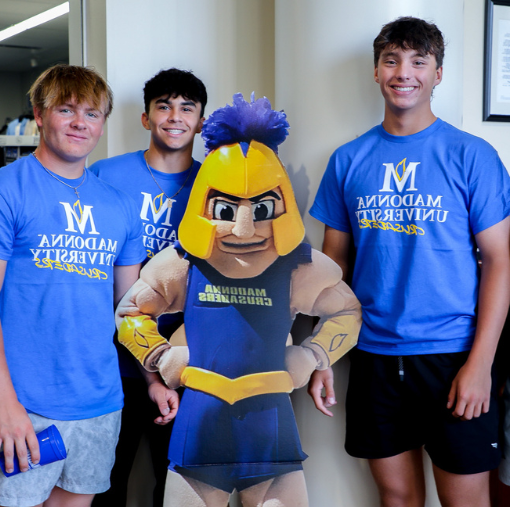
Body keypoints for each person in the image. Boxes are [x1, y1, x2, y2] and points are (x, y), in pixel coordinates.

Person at [115, 93, 361, 507]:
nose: (244, 228)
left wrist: (314, 355)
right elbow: (130, 313)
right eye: (227, 209)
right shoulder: (182, 263)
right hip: (199, 431)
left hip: (272, 435)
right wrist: (161, 357)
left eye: (262, 207)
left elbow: (348, 313)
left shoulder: (298, 266)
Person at [308, 16, 510, 507]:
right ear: (376, 72)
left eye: (419, 61)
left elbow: (501, 262)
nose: (404, 72)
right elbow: (332, 270)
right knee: (398, 499)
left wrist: (481, 364)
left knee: (466, 502)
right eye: (392, 60)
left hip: (454, 355)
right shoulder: (348, 159)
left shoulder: (472, 155)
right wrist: (321, 353)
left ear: (438, 74)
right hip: (375, 356)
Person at [0, 64, 149, 507]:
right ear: (39, 115)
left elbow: (131, 307)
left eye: (92, 113)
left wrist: (152, 376)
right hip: (24, 402)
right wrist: (2, 401)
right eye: (66, 109)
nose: (80, 122)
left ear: (103, 123)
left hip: (99, 402)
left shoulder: (118, 205)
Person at [89, 68, 207, 507]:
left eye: (187, 108)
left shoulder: (216, 183)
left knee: (177, 485)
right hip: (112, 359)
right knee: (103, 481)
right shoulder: (105, 174)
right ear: (145, 117)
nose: (174, 117)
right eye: (164, 106)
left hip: (188, 357)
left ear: (200, 122)